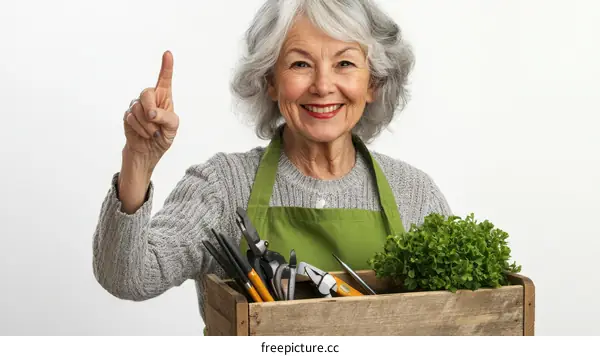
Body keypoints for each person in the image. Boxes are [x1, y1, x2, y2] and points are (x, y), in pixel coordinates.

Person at [92, 0, 452, 328]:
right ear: (270, 81)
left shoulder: (414, 194)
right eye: (300, 64)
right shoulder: (223, 186)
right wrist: (138, 160)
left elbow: (459, 322)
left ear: (372, 82)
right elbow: (128, 277)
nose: (323, 86)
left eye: (344, 63)